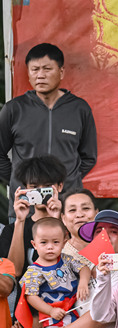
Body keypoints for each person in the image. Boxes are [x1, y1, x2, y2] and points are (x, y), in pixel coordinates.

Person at [0, 43, 97, 214]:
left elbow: (88, 157)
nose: (40, 75)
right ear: (28, 74)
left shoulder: (79, 109)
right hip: (25, 208)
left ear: (61, 72)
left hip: (67, 208)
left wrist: (68, 180)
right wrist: (19, 180)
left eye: (47, 69)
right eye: (34, 70)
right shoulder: (14, 109)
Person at [0, 154, 66, 278]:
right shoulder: (11, 231)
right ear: (26, 189)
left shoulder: (69, 227)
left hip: (65, 296)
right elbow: (14, 272)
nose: (40, 191)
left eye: (46, 186)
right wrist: (19, 220)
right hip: (26, 295)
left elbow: (70, 265)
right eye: (34, 187)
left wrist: (55, 220)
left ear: (60, 186)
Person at [61, 189, 99, 255]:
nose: (79, 215)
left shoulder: (113, 246)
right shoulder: (56, 254)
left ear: (96, 213)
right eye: (72, 210)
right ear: (63, 218)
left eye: (86, 208)